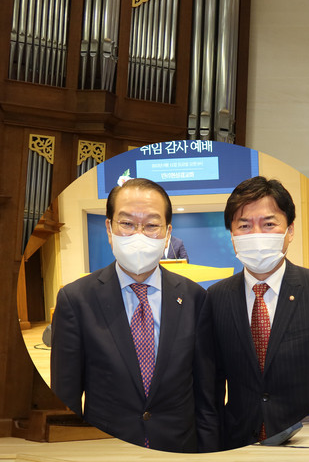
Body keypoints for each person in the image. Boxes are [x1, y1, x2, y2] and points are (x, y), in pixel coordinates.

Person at [50, 178, 217, 452]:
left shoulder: (195, 298)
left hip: (178, 447)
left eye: (151, 225)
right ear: (109, 228)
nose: (138, 235)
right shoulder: (76, 299)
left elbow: (205, 396)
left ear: (167, 233)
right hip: (105, 449)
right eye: (127, 223)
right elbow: (64, 398)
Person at [205, 176, 309, 450]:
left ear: (290, 230)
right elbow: (210, 384)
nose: (256, 234)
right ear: (231, 235)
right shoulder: (215, 298)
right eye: (244, 225)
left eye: (269, 224)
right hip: (239, 440)